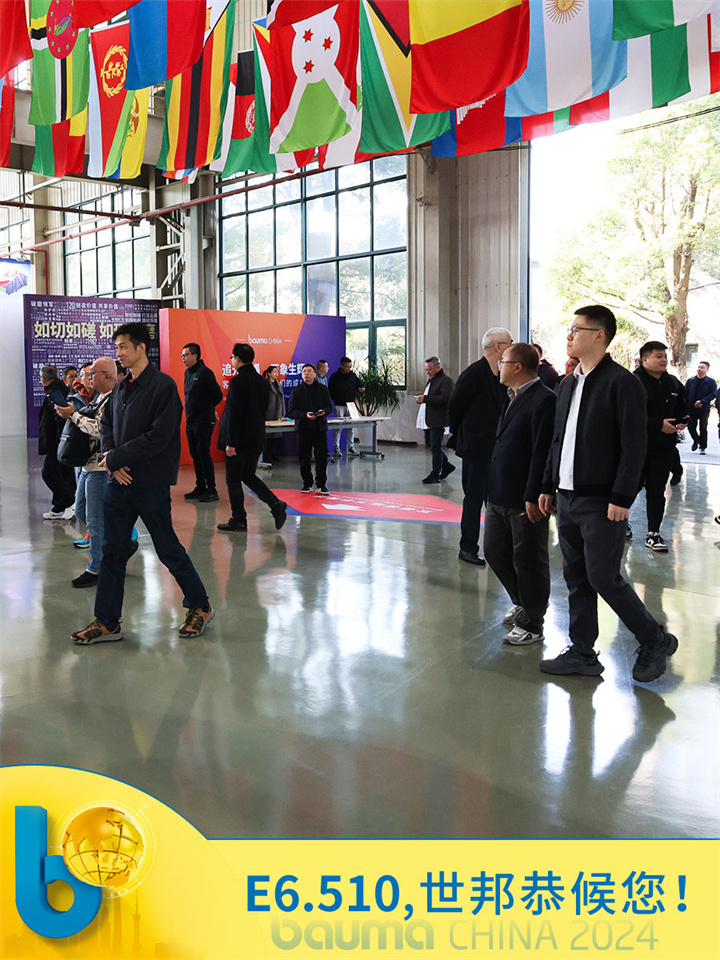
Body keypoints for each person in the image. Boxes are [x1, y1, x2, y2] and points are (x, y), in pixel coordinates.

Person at [538, 305, 678, 683]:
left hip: (602, 501)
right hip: (567, 497)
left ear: (599, 336)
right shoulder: (568, 383)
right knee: (576, 577)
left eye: (576, 329)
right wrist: (548, 486)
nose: (569, 335)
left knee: (603, 577)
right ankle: (583, 652)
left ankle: (655, 640)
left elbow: (634, 446)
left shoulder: (622, 383)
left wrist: (622, 497)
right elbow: (558, 441)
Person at [72, 323, 213, 645]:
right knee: (111, 551)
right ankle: (108, 622)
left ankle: (200, 605)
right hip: (118, 482)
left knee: (167, 548)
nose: (119, 353)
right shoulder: (122, 387)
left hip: (150, 483)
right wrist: (112, 459)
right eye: (117, 347)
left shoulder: (163, 387)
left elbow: (159, 437)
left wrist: (118, 457)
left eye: (123, 346)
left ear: (141, 348)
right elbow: (107, 427)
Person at [484, 343, 556, 644]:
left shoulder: (544, 399)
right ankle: (523, 602)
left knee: (529, 560)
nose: (498, 366)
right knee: (494, 551)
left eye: (502, 361)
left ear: (516, 366)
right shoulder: (512, 397)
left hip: (525, 497)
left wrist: (535, 493)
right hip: (499, 493)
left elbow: (543, 452)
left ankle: (533, 623)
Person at [55, 358, 133, 588]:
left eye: (92, 374)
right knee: (81, 510)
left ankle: (97, 568)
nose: (88, 378)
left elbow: (99, 430)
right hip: (87, 465)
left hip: (100, 467)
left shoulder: (115, 400)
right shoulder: (100, 397)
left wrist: (73, 415)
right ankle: (123, 544)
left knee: (96, 521)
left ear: (107, 376)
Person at [448, 327, 512, 566]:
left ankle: (497, 549)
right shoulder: (474, 373)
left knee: (495, 500)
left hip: (496, 449)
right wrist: (464, 435)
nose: (512, 346)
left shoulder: (499, 374)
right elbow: (455, 408)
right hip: (476, 449)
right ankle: (468, 548)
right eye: (509, 343)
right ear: (499, 346)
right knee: (474, 499)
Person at [216, 343, 288, 533]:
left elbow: (235, 415)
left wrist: (231, 443)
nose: (231, 361)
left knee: (233, 480)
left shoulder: (237, 382)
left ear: (238, 359)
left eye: (232, 357)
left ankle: (239, 519)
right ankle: (275, 504)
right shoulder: (262, 382)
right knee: (247, 475)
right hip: (256, 437)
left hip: (239, 440)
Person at [633, 341, 687, 553]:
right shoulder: (633, 382)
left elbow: (683, 406)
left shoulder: (672, 383)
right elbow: (626, 416)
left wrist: (682, 421)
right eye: (658, 356)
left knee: (657, 490)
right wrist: (657, 425)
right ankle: (619, 524)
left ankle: (653, 534)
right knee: (631, 487)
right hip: (637, 448)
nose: (664, 360)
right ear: (644, 360)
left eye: (664, 356)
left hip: (664, 448)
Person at [181, 342, 223, 502]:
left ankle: (212, 489)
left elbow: (217, 394)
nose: (183, 358)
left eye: (186, 355)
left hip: (204, 421)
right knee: (195, 455)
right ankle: (200, 487)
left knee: (203, 454)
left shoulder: (205, 373)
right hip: (191, 421)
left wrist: (209, 409)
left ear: (195, 356)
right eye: (182, 355)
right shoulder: (188, 373)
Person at [288, 363, 334, 493]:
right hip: (303, 428)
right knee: (304, 457)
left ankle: (321, 484)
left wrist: (323, 411)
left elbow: (329, 406)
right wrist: (305, 415)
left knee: (321, 457)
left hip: (319, 428)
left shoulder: (322, 389)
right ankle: (307, 483)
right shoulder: (296, 391)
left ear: (314, 374)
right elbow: (292, 410)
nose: (306, 374)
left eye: (309, 371)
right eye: (304, 372)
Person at [39, 364, 76, 521]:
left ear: (43, 379)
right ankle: (59, 507)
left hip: (59, 441)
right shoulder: (58, 389)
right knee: (63, 471)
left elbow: (63, 416)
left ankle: (68, 500)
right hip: (61, 440)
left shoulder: (55, 393)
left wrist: (61, 439)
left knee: (48, 472)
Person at [415, 356, 455, 484]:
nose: (428, 372)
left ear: (438, 367)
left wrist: (425, 399)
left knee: (436, 447)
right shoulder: (432, 380)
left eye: (430, 369)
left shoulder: (446, 381)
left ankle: (435, 474)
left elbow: (446, 398)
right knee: (430, 444)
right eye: (426, 369)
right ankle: (447, 466)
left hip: (439, 419)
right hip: (429, 418)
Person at [328, 356, 364, 457]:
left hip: (351, 404)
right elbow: (330, 390)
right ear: (342, 366)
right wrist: (336, 399)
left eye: (350, 366)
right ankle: (337, 448)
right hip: (339, 404)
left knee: (351, 427)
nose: (349, 368)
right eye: (347, 366)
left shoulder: (353, 376)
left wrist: (361, 388)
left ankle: (351, 447)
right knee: (338, 427)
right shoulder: (335, 376)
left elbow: (359, 385)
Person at [685, 361, 717, 454]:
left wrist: (703, 401)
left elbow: (713, 394)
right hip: (691, 408)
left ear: (707, 370)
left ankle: (702, 447)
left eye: (702, 367)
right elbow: (685, 393)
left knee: (703, 427)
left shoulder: (710, 382)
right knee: (690, 427)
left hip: (704, 408)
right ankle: (697, 440)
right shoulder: (691, 381)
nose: (699, 369)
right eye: (699, 367)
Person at [262, 365, 285, 465]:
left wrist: (283, 412)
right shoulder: (265, 384)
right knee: (267, 436)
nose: (276, 374)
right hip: (268, 412)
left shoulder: (278, 384)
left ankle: (273, 454)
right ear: (269, 373)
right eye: (274, 372)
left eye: (277, 372)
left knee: (275, 435)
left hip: (277, 412)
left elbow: (282, 399)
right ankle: (266, 456)